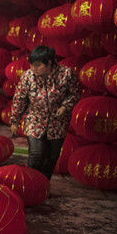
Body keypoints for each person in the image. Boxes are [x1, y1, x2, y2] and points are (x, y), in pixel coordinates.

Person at [10, 46, 81, 180]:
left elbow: (75, 94)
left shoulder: (66, 74)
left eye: (37, 65)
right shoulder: (28, 76)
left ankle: (43, 184)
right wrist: (15, 121)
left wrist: (65, 106)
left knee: (51, 157)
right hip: (35, 119)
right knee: (36, 154)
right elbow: (19, 99)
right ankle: (31, 183)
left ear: (49, 63)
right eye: (31, 65)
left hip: (57, 122)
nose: (33, 69)